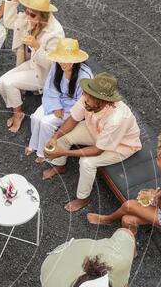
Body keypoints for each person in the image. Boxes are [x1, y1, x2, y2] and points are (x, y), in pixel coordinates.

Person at [88, 125, 161, 242]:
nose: (156, 158)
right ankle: (125, 240)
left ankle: (108, 220)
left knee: (129, 206)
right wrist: (157, 194)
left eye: (158, 157)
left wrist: (154, 198)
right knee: (126, 219)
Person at [43, 72, 142, 212]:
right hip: (96, 131)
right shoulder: (87, 99)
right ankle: (60, 166)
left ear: (102, 101)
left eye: (89, 97)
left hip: (121, 145)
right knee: (63, 137)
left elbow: (98, 150)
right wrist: (55, 137)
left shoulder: (118, 119)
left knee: (87, 163)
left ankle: (83, 198)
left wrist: (63, 152)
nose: (85, 98)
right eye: (86, 94)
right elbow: (72, 120)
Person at [0, 0, 64, 132]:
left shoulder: (55, 33)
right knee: (0, 83)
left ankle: (18, 114)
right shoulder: (29, 19)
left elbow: (54, 64)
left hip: (44, 72)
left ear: (43, 16)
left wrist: (37, 47)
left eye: (32, 14)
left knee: (9, 83)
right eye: (26, 11)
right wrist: (14, 1)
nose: (27, 16)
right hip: (32, 63)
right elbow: (9, 22)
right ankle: (16, 104)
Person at [26, 38, 93, 162]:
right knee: (36, 117)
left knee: (46, 123)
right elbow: (50, 87)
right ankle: (33, 144)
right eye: (61, 58)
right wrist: (56, 106)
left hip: (73, 108)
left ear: (74, 60)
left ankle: (44, 152)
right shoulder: (56, 66)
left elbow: (83, 102)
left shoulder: (85, 75)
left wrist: (64, 109)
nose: (63, 63)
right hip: (54, 100)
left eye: (66, 60)